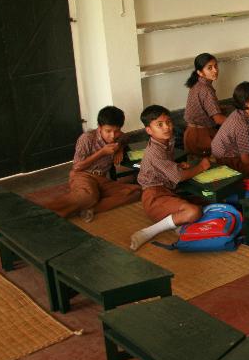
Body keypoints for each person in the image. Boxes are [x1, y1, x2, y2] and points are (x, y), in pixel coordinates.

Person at [130, 105, 210, 250]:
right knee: (194, 212)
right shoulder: (155, 151)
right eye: (159, 125)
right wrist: (201, 167)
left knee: (204, 202)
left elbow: (165, 167)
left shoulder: (166, 140)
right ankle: (148, 232)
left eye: (168, 122)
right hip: (154, 197)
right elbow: (179, 177)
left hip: (167, 191)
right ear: (149, 130)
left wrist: (176, 165)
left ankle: (176, 224)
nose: (166, 127)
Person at [43, 106, 140, 221]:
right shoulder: (87, 139)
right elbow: (77, 167)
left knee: (136, 192)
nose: (113, 136)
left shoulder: (119, 136)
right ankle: (44, 213)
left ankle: (90, 209)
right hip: (83, 175)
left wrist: (120, 148)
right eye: (108, 131)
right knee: (87, 197)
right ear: (99, 127)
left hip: (102, 179)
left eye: (117, 131)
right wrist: (102, 152)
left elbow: (125, 137)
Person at [211, 81, 249, 178]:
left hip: (228, 154)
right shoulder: (241, 125)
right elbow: (246, 161)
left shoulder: (240, 113)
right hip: (229, 161)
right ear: (246, 103)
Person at [183, 53, 226, 157]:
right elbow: (218, 119)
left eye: (216, 66)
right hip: (200, 136)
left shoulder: (197, 84)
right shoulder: (206, 89)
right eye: (210, 68)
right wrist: (238, 121)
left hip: (191, 133)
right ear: (200, 72)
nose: (215, 70)